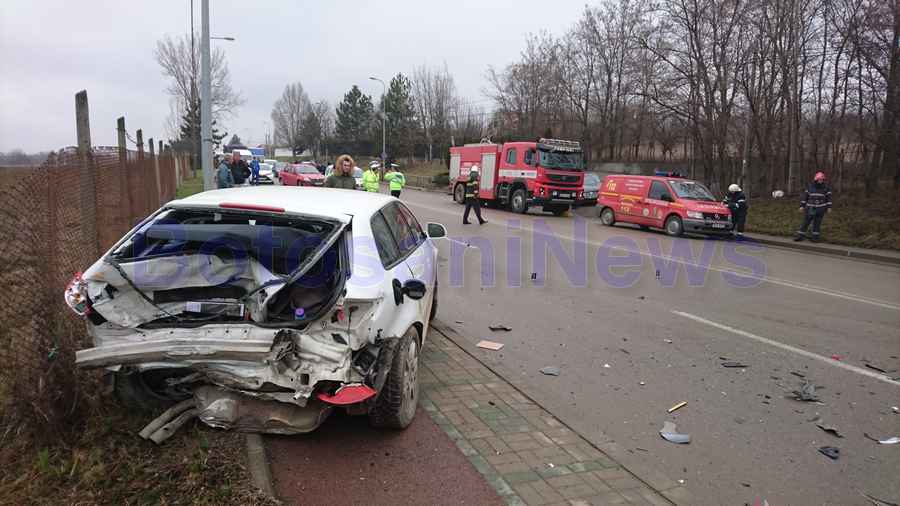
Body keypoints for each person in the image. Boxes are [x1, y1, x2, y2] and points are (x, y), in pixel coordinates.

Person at [795, 171, 832, 242]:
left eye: (822, 179)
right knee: (806, 222)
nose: (820, 181)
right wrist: (802, 206)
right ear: (816, 179)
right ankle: (800, 236)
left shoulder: (826, 188)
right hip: (811, 208)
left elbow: (829, 199)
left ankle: (815, 237)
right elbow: (805, 197)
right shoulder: (810, 187)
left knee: (817, 223)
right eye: (819, 179)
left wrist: (829, 207)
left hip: (821, 209)